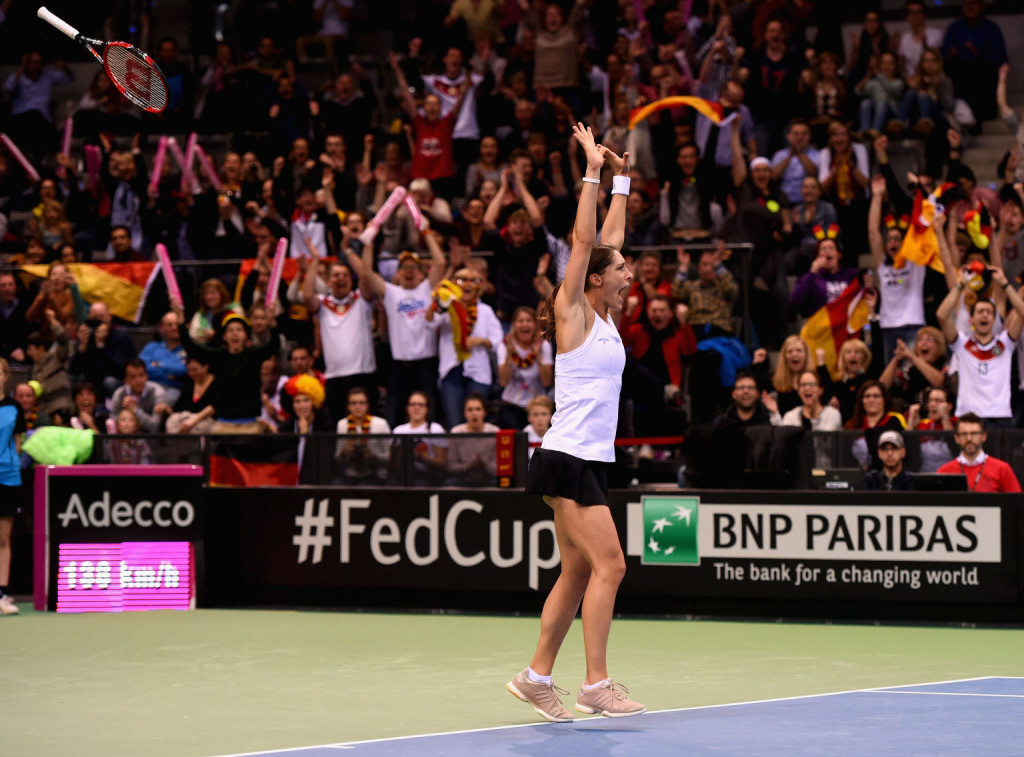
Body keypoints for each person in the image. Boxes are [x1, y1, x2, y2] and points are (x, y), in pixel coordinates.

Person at [510, 125, 645, 722]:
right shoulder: (573, 311)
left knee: (578, 570)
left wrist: (621, 178)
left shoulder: (606, 316)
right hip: (567, 458)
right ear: (595, 278)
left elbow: (608, 238)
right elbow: (588, 238)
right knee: (610, 565)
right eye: (621, 270)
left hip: (582, 458)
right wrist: (590, 169)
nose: (628, 273)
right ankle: (596, 683)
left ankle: (536, 677)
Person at [359, 225, 446, 428]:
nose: (409, 271)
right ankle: (391, 456)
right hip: (399, 365)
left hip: (426, 364)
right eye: (404, 267)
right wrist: (369, 241)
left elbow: (440, 262)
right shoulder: (391, 293)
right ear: (397, 273)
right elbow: (366, 273)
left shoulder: (426, 289)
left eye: (413, 267)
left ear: (420, 272)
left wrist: (426, 232)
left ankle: (432, 454)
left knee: (430, 415)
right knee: (392, 413)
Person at [937, 267, 1024, 426]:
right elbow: (941, 315)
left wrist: (1005, 284)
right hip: (969, 417)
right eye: (980, 312)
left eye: (989, 312)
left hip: (1000, 416)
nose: (984, 315)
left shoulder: (1005, 343)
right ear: (971, 320)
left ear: (993, 320)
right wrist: (960, 285)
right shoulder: (962, 343)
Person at [497, 307, 554, 430]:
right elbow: (503, 381)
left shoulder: (544, 345)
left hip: (537, 406)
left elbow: (547, 382)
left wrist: (538, 356)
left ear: (535, 325)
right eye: (520, 321)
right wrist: (509, 354)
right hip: (511, 405)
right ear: (514, 325)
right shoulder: (505, 344)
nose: (524, 324)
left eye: (528, 320)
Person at [937, 413, 1021, 492]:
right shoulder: (944, 471)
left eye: (974, 433)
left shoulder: (1002, 469)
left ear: (983, 436)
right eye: (964, 434)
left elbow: (1016, 503)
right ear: (956, 438)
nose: (969, 438)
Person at [0, 358, 25, 615]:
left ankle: (2, 595)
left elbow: (17, 443)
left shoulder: (13, 408)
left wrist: (9, 465)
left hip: (6, 478)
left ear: (5, 376)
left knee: (2, 538)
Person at [333, 387, 390, 485]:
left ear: (367, 405)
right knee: (335, 485)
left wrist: (373, 456)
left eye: (361, 403)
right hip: (350, 474)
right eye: (353, 403)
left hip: (376, 474)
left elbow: (390, 458)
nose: (357, 406)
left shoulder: (380, 424)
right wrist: (344, 453)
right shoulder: (342, 424)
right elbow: (337, 458)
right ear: (348, 406)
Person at [391, 391, 447, 485]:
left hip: (428, 476)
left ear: (427, 408)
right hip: (401, 475)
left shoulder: (435, 429)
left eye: (421, 405)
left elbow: (442, 463)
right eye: (413, 404)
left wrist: (421, 458)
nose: (416, 408)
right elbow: (392, 465)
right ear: (407, 408)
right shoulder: (398, 431)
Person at [448, 393, 500, 485]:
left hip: (488, 478)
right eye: (470, 410)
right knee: (451, 483)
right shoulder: (456, 432)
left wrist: (484, 465)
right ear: (464, 413)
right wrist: (468, 467)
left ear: (484, 412)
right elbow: (451, 466)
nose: (474, 413)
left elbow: (499, 467)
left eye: (478, 409)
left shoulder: (495, 432)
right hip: (463, 478)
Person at [139, 312, 188, 406]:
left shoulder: (188, 349)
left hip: (173, 388)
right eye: (170, 325)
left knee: (164, 402)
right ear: (163, 329)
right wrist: (171, 374)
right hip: (148, 386)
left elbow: (184, 370)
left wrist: (159, 364)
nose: (174, 327)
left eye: (177, 324)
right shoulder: (151, 347)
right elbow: (141, 368)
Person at [765, 370, 842, 431]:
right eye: (803, 385)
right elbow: (782, 436)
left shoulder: (832, 414)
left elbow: (825, 439)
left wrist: (814, 416)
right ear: (798, 391)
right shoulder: (791, 416)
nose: (807, 388)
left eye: (812, 384)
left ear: (820, 390)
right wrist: (774, 413)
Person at [109, 359, 171, 433]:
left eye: (141, 375)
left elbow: (155, 427)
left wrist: (136, 411)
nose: (138, 380)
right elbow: (112, 419)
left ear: (147, 376)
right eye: (133, 377)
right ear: (126, 380)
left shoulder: (157, 392)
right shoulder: (119, 393)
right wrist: (124, 414)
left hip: (151, 440)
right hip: (125, 438)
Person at [907, 385, 956, 474]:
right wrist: (911, 417)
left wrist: (945, 417)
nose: (932, 404)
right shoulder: (923, 424)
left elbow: (955, 447)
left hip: (950, 475)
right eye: (930, 400)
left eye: (938, 401)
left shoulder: (957, 422)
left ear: (949, 406)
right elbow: (907, 446)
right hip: (925, 475)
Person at [165, 357, 217, 435]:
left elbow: (216, 408)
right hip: (186, 417)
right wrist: (166, 408)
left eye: (194, 370)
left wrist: (194, 420)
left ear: (205, 367)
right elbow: (178, 408)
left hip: (207, 420)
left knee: (197, 428)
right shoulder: (189, 382)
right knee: (172, 421)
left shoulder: (217, 382)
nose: (191, 373)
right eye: (189, 370)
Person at [524, 394, 553, 461]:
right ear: (529, 417)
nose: (540, 418)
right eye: (535, 414)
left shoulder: (555, 436)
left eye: (544, 414)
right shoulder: (523, 436)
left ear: (550, 417)